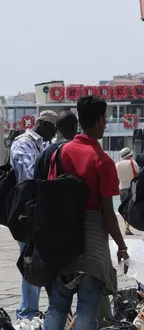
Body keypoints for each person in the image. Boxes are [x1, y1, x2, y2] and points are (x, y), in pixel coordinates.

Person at [43, 97, 129, 329]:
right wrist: (122, 246)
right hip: (91, 245)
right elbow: (108, 214)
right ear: (100, 120)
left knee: (57, 308)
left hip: (61, 242)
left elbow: (52, 193)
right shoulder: (102, 160)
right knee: (86, 314)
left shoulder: (59, 153)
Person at [11, 110, 57, 320]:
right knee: (30, 263)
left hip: (42, 211)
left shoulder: (45, 144)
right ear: (46, 125)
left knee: (41, 262)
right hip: (27, 213)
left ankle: (33, 309)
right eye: (54, 129)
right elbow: (28, 175)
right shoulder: (23, 143)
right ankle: (26, 313)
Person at [34, 110, 78, 180]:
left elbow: (36, 181)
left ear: (56, 128)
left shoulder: (43, 154)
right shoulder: (78, 151)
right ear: (75, 127)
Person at [116, 147, 139, 236]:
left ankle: (127, 227)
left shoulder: (117, 164)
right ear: (130, 155)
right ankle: (127, 227)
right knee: (131, 208)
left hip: (121, 188)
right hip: (132, 188)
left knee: (124, 208)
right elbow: (138, 173)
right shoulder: (133, 163)